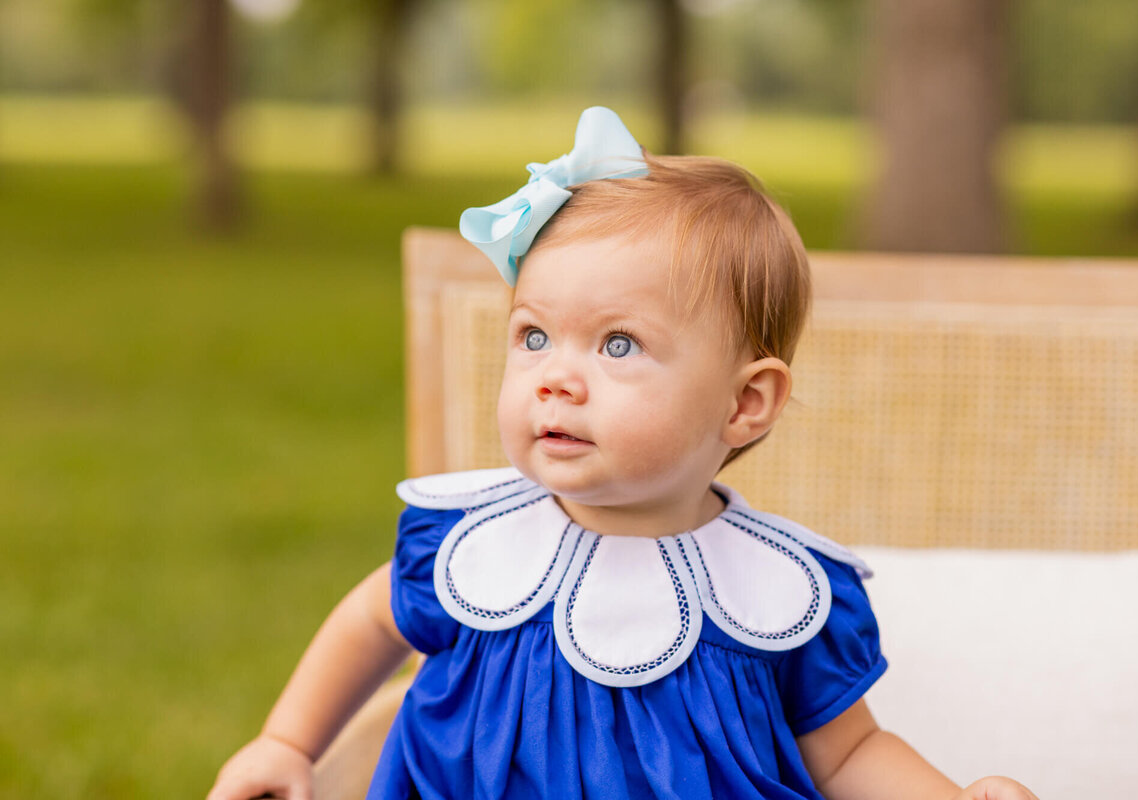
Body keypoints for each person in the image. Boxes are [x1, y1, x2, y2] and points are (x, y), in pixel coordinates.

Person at [209, 107, 1039, 800]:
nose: (556, 379)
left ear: (745, 403)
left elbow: (850, 753)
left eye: (617, 346)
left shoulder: (776, 595)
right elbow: (369, 620)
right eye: (534, 335)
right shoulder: (470, 546)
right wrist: (288, 741)